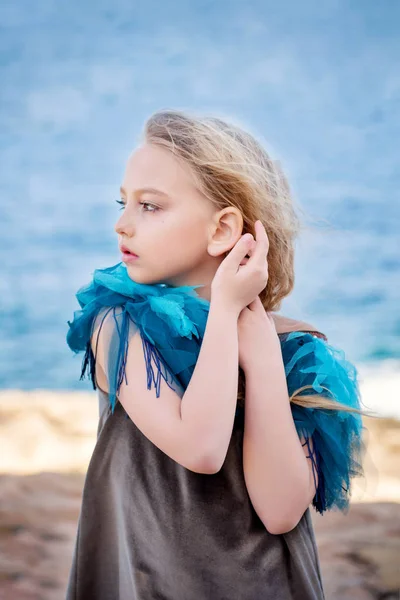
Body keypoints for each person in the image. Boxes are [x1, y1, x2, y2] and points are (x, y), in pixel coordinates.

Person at [65, 109, 370, 600]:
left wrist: (266, 364)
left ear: (223, 230)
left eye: (150, 206)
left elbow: (280, 510)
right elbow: (202, 448)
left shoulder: (299, 355)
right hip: (145, 583)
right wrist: (226, 311)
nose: (122, 225)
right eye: (123, 203)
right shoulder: (118, 324)